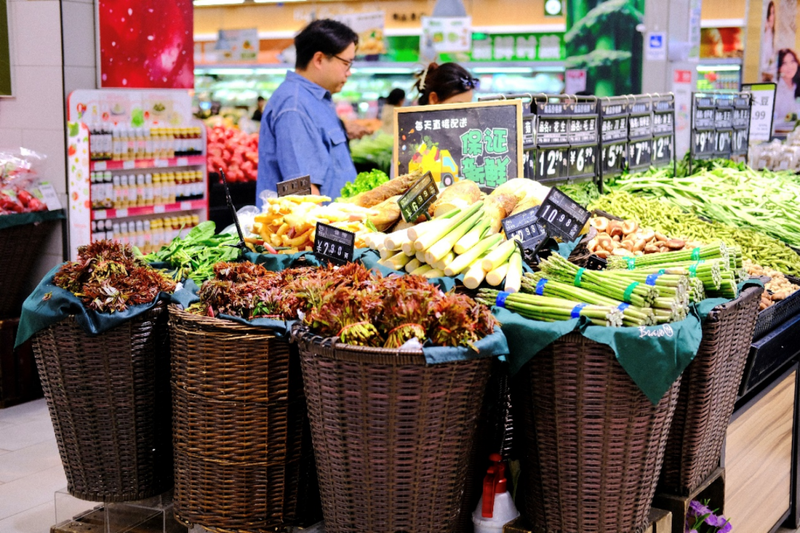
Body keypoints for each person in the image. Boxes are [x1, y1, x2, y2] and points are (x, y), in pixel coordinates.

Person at [256, 19, 358, 206]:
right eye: (346, 63)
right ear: (319, 59)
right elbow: (304, 195)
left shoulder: (314, 100)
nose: (349, 72)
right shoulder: (295, 106)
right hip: (318, 232)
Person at [413, 62, 478, 106]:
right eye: (458, 106)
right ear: (433, 99)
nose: (465, 115)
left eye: (468, 108)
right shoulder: (409, 126)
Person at [773, 48, 800, 129]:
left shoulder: (797, 86)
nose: (790, 67)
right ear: (779, 68)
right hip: (780, 134)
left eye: (792, 62)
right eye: (784, 63)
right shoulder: (776, 89)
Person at [761, 1, 776, 82]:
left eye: (773, 13)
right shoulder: (764, 35)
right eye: (770, 14)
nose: (772, 17)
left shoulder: (772, 34)